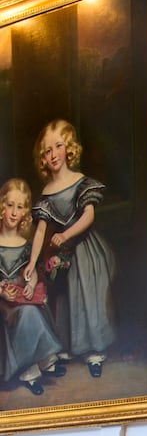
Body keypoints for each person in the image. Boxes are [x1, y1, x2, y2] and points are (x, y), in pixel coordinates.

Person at [25, 119, 115, 378]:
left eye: (58, 146)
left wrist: (65, 234)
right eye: (47, 150)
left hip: (86, 251)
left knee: (89, 295)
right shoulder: (46, 193)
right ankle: (71, 346)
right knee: (64, 296)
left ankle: (94, 351)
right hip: (62, 255)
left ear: (69, 149)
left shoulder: (81, 182)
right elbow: (41, 230)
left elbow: (88, 216)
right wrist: (32, 263)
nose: (53, 154)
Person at [0, 178, 66, 395]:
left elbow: (33, 270)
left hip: (20, 296)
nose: (13, 212)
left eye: (19, 207)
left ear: (25, 213)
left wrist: (31, 283)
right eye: (9, 205)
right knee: (27, 313)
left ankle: (43, 358)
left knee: (33, 307)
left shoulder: (26, 245)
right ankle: (29, 370)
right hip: (3, 303)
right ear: (2, 206)